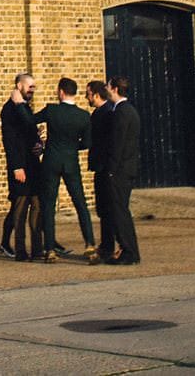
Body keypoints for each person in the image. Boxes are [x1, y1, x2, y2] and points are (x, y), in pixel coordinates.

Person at [34, 76, 95, 262]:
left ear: (61, 92)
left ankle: (50, 249)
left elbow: (32, 119)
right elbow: (86, 143)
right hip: (70, 162)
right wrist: (71, 147)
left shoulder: (52, 110)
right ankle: (90, 244)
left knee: (48, 205)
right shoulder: (84, 116)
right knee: (80, 203)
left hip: (51, 160)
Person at [95, 74, 142, 265]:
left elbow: (118, 144)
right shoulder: (127, 110)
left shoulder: (122, 112)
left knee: (119, 212)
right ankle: (128, 250)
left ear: (114, 89)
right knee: (120, 211)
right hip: (125, 169)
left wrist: (111, 170)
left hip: (119, 171)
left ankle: (128, 251)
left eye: (107, 86)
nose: (105, 88)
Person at [0, 72, 42, 260]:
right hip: (21, 165)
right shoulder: (10, 109)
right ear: (18, 86)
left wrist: (38, 141)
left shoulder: (24, 106)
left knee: (37, 204)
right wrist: (16, 166)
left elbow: (28, 130)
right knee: (20, 207)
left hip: (32, 163)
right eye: (29, 86)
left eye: (33, 86)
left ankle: (38, 248)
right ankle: (20, 249)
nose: (32, 89)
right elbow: (10, 140)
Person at [85, 79, 114, 262]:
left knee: (107, 208)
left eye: (87, 94)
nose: (86, 97)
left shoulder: (106, 114)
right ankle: (106, 245)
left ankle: (108, 246)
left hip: (105, 167)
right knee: (103, 209)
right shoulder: (101, 113)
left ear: (95, 95)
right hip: (101, 166)